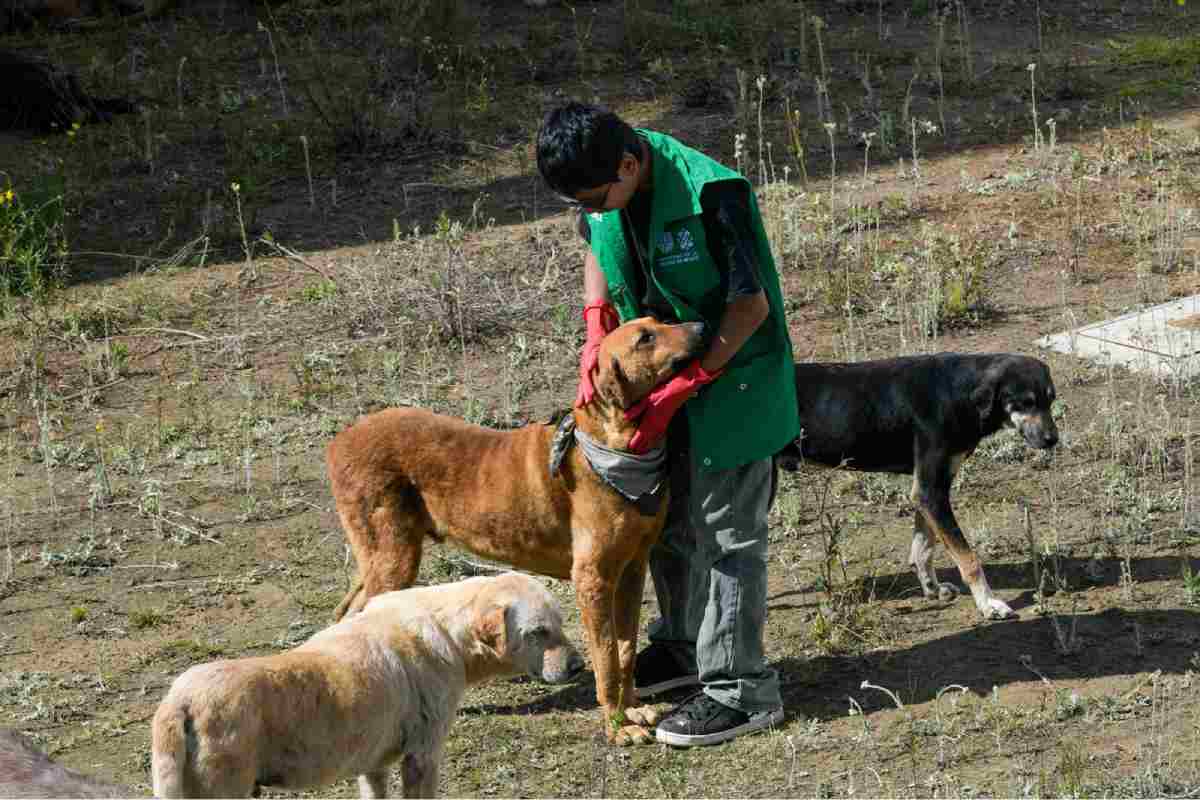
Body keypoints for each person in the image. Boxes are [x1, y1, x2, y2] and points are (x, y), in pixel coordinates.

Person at [536, 102, 799, 747]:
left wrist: (693, 379)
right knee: (669, 524)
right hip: (658, 380)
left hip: (732, 377)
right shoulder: (607, 186)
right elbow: (596, 236)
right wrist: (596, 314)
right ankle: (683, 648)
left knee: (724, 534)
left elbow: (748, 305)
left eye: (599, 195)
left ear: (630, 164)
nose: (594, 208)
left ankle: (741, 693)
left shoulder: (715, 191)